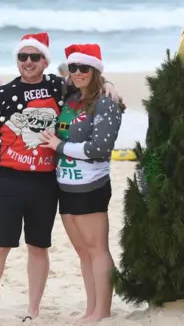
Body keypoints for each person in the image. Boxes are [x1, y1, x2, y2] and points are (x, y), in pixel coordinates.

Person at [0, 32, 118, 325]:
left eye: (34, 57)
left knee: (39, 246)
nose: (28, 62)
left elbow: (89, 83)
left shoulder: (57, 87)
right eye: (22, 57)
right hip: (8, 181)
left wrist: (111, 85)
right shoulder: (4, 93)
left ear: (45, 61)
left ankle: (34, 310)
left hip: (46, 182)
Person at [39, 43, 125, 322]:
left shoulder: (105, 101)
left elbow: (100, 147)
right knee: (82, 251)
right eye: (73, 67)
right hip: (65, 184)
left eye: (84, 68)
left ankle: (103, 311)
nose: (77, 72)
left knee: (97, 249)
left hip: (92, 185)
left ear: (95, 70)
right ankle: (92, 309)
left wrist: (59, 146)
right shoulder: (71, 96)